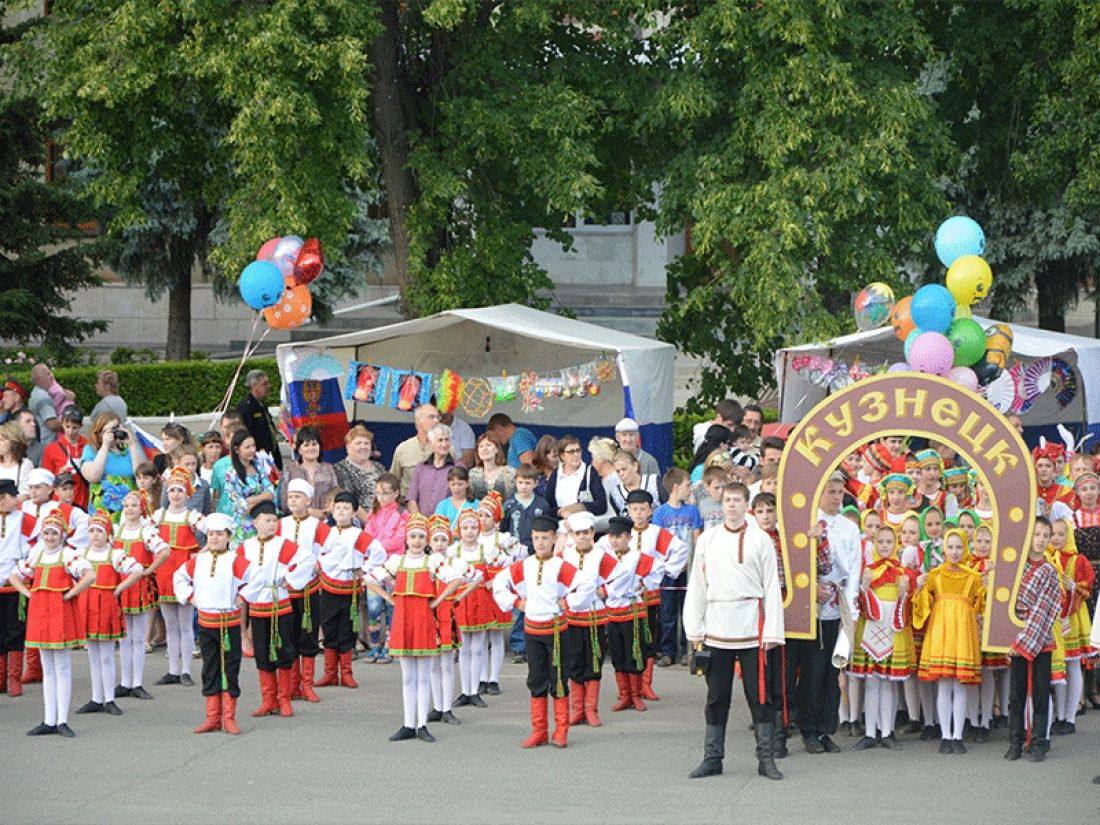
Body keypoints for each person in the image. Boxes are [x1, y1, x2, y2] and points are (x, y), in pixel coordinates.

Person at [684, 482, 784, 781]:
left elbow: (771, 587)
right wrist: (695, 627)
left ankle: (765, 759)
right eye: (727, 500)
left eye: (737, 500)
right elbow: (698, 585)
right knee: (716, 697)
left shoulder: (761, 539)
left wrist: (772, 633)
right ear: (721, 503)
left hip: (753, 627)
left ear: (746, 504)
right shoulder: (708, 539)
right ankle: (712, 757)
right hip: (716, 627)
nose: (731, 505)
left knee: (759, 696)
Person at [494, 513, 591, 748]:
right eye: (536, 538)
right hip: (532, 631)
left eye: (545, 538)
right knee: (536, 679)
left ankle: (561, 730)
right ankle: (539, 730)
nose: (540, 543)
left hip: (557, 631)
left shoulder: (560, 566)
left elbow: (586, 585)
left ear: (554, 538)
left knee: (558, 679)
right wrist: (517, 603)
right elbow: (499, 582)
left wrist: (568, 603)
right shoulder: (525, 565)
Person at [368, 514, 464, 743]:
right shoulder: (396, 562)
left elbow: (456, 579)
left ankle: (421, 724)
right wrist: (389, 598)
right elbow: (370, 579)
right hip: (402, 619)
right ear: (406, 538)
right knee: (407, 676)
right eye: (413, 536)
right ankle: (408, 723)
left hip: (423, 620)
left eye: (422, 536)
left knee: (423, 676)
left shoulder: (432, 562)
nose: (417, 540)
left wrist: (437, 601)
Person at [9, 509, 95, 737]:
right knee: (48, 669)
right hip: (40, 613)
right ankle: (49, 719)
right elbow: (14, 576)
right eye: (46, 533)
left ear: (61, 535)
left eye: (54, 533)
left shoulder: (67, 555)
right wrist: (28, 593)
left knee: (63, 667)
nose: (49, 537)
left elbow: (89, 575)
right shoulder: (36, 555)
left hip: (60, 614)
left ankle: (62, 720)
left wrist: (70, 593)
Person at [794, 471, 861, 755]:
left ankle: (825, 728)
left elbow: (855, 565)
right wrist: (812, 589)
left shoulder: (849, 527)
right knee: (813, 670)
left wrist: (851, 600)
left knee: (834, 672)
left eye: (840, 492)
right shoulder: (809, 522)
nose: (836, 497)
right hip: (815, 606)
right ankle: (807, 728)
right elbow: (799, 562)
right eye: (831, 492)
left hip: (839, 603)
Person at [172, 512, 249, 735]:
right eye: (211, 534)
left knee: (231, 667)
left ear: (228, 536)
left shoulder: (236, 559)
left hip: (229, 622)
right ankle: (212, 717)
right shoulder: (199, 560)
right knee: (210, 667)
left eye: (219, 534)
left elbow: (253, 580)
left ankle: (229, 717)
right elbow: (179, 577)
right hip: (207, 622)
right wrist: (190, 597)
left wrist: (242, 596)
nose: (214, 538)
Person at [238, 501, 315, 719]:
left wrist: (289, 579)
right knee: (262, 653)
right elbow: (238, 572)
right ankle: (268, 699)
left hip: (280, 604)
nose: (272, 524)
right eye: (267, 520)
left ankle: (284, 698)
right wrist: (242, 592)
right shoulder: (247, 546)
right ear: (255, 523)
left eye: (274, 520)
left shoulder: (282, 544)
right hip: (258, 606)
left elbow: (308, 559)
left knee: (285, 650)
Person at [913, 528, 984, 755]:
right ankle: (945, 734)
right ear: (944, 549)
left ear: (965, 549)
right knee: (944, 684)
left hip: (963, 632)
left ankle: (958, 735)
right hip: (941, 631)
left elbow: (981, 605)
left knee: (960, 685)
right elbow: (922, 604)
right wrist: (920, 587)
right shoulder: (935, 575)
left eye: (959, 547)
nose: (954, 552)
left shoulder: (973, 577)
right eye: (950, 547)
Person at [848, 523, 916, 749]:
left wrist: (905, 592)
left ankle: (887, 732)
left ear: (896, 544)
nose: (885, 546)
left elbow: (908, 603)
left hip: (892, 627)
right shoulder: (867, 570)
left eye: (889, 542)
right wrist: (864, 587)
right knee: (872, 681)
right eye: (881, 541)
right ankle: (869, 731)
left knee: (888, 683)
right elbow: (858, 601)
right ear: (874, 543)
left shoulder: (902, 573)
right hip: (871, 627)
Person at [73, 510, 144, 717]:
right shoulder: (81, 554)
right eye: (92, 530)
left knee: (106, 655)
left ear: (107, 533)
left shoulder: (114, 553)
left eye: (99, 531)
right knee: (92, 654)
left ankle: (109, 698)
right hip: (86, 605)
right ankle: (96, 697)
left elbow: (137, 569)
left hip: (105, 606)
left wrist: (120, 588)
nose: (95, 535)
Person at [315, 491, 386, 689]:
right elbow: (315, 555)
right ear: (331, 510)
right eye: (338, 507)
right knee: (329, 628)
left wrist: (363, 569)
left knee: (346, 629)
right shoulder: (326, 533)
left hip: (349, 588)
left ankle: (346, 673)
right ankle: (329, 673)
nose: (341, 511)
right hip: (328, 586)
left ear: (354, 513)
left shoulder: (357, 535)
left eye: (346, 508)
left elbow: (378, 553)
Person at [1005, 518, 1061, 762]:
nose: (1040, 539)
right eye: (1036, 534)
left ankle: (1040, 741)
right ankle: (1015, 741)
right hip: (1015, 636)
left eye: (1044, 535)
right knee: (1015, 693)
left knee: (1040, 692)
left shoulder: (1049, 571)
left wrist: (1026, 640)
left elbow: (1045, 608)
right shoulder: (1016, 567)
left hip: (1040, 637)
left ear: (1049, 540)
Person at [623, 488, 687, 701]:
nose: (639, 513)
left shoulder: (656, 533)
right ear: (628, 511)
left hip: (649, 595)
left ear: (650, 511)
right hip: (626, 596)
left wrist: (664, 570)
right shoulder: (623, 534)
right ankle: (629, 689)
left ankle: (646, 685)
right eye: (634, 509)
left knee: (648, 639)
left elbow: (680, 550)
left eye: (642, 509)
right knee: (628, 640)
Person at [559, 510, 617, 728]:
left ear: (592, 532)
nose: (582, 536)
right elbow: (554, 581)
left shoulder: (601, 555)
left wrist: (605, 590)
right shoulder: (564, 556)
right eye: (578, 533)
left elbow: (619, 578)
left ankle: (591, 710)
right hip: (571, 618)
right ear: (572, 535)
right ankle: (578, 710)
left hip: (595, 616)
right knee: (574, 662)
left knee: (594, 662)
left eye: (586, 532)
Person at [152, 466, 205, 687]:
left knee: (185, 624)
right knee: (171, 625)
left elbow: (209, 530)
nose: (175, 494)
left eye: (180, 490)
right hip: (164, 572)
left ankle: (185, 670)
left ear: (187, 493)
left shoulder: (191, 516)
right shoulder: (158, 515)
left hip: (183, 572)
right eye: (172, 490)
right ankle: (173, 669)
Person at [113, 491, 169, 701]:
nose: (129, 509)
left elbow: (164, 550)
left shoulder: (146, 531)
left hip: (139, 586)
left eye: (134, 506)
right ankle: (125, 682)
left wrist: (148, 570)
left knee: (137, 637)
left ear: (141, 508)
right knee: (125, 638)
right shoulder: (117, 531)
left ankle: (136, 682)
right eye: (126, 505)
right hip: (121, 585)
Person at [278, 479, 329, 702]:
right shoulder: (281, 524)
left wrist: (319, 564)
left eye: (298, 496)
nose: (293, 500)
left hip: (309, 589)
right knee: (287, 637)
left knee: (308, 636)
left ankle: (307, 684)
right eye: (290, 496)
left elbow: (330, 551)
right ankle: (291, 685)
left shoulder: (318, 525)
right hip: (286, 590)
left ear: (308, 500)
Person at [426, 515, 474, 724]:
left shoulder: (456, 562)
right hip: (430, 615)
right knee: (433, 664)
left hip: (447, 614)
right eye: (435, 540)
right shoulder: (426, 561)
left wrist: (459, 596)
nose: (439, 544)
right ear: (430, 542)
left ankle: (446, 707)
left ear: (449, 541)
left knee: (446, 663)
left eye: (443, 540)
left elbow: (477, 577)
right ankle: (437, 706)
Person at [651, 468, 701, 667]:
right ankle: (668, 651)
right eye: (687, 485)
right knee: (668, 611)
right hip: (669, 568)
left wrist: (693, 561)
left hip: (688, 567)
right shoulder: (661, 513)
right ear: (675, 487)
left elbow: (696, 537)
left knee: (688, 609)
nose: (690, 489)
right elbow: (658, 541)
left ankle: (687, 650)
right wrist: (670, 563)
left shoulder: (692, 511)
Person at [1049, 518, 1092, 735]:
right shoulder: (1047, 559)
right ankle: (1059, 714)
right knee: (1058, 666)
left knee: (1073, 665)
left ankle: (1070, 716)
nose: (1056, 538)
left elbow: (1087, 589)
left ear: (1069, 536)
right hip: (1054, 618)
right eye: (1053, 534)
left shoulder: (1079, 561)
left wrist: (1074, 586)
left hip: (1072, 618)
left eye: (1060, 534)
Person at [449, 509, 494, 708]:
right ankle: (465, 690)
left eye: (474, 527)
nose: (469, 532)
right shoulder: (453, 551)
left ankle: (474, 690)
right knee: (464, 648)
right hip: (460, 600)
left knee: (478, 648)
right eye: (465, 528)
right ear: (459, 530)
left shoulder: (486, 551)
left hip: (480, 599)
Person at [363, 473, 408, 663]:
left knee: (391, 606)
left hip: (393, 565)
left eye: (386, 493)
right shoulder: (373, 514)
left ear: (396, 493)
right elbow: (366, 536)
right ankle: (375, 645)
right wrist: (374, 546)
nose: (382, 498)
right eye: (379, 493)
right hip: (374, 566)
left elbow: (399, 539)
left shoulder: (403, 514)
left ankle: (390, 645)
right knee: (373, 607)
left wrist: (377, 544)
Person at [0, 479, 32, 696]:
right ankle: (1, 678)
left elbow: (35, 545)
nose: (15, 499)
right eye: (10, 496)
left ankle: (14, 678)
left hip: (14, 583)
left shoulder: (24, 519)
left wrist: (21, 570)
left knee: (15, 630)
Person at [216, 430, 276, 545]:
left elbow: (271, 491)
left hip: (263, 520)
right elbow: (239, 505)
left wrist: (256, 499)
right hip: (244, 525)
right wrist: (263, 497)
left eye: (253, 446)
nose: (252, 450)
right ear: (237, 449)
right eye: (247, 447)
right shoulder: (231, 475)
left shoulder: (258, 466)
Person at [81, 414, 141, 519]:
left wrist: (131, 444)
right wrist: (105, 446)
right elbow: (93, 477)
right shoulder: (91, 450)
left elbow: (140, 477)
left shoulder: (129, 449)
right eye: (107, 431)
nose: (113, 434)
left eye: (115, 428)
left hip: (128, 511)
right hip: (102, 514)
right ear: (99, 434)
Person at [279, 426, 338, 518]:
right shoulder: (290, 469)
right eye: (306, 445)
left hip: (326, 520)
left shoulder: (329, 468)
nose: (311, 448)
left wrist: (327, 511)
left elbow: (336, 496)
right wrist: (309, 511)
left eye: (314, 444)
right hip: (298, 520)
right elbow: (284, 504)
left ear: (320, 446)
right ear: (299, 449)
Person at [544, 435, 607, 520]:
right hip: (560, 527)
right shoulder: (556, 474)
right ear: (562, 455)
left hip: (583, 527)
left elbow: (601, 505)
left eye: (578, 450)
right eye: (571, 452)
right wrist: (559, 512)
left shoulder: (590, 472)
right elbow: (547, 506)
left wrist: (576, 509)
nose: (576, 454)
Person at [334, 424, 386, 522]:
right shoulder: (341, 468)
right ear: (348, 447)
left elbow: (389, 492)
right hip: (358, 522)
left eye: (366, 443)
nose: (363, 446)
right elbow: (349, 500)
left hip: (383, 520)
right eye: (358, 443)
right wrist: (370, 523)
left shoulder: (379, 467)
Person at [40, 407, 90, 509]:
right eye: (67, 426)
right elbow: (47, 479)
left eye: (75, 427)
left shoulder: (88, 446)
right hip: (59, 502)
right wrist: (59, 474)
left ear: (81, 426)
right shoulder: (51, 449)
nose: (70, 431)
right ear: (62, 424)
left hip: (83, 501)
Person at [236, 369, 282, 471]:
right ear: (254, 386)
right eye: (264, 384)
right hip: (259, 458)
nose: (269, 386)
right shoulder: (245, 408)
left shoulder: (261, 405)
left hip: (271, 455)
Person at [390, 404, 439, 496]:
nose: (436, 421)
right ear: (418, 421)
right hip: (407, 504)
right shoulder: (403, 449)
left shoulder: (445, 448)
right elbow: (394, 480)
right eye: (431, 417)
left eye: (437, 417)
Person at [408, 424, 456, 516]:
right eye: (440, 440)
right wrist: (419, 521)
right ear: (431, 442)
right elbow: (411, 498)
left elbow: (460, 499)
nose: (444, 444)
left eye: (447, 440)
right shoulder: (421, 467)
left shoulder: (457, 467)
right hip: (421, 524)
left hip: (446, 524)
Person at [607, 451, 665, 518]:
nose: (621, 474)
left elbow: (669, 507)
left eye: (624, 469)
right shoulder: (615, 494)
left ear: (635, 466)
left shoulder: (654, 482)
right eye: (618, 471)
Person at [468, 433, 516, 501]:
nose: (484, 449)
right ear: (478, 452)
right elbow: (470, 500)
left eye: (488, 445)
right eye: (481, 446)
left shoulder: (509, 472)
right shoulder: (473, 473)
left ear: (497, 449)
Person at [28, 363, 62, 444]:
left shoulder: (37, 392)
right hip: (47, 445)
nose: (52, 376)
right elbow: (53, 425)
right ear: (39, 379)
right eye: (48, 374)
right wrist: (72, 421)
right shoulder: (43, 397)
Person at [0, 424, 33, 499]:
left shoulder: (25, 464)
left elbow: (25, 494)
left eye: (1, 440)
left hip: (15, 508)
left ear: (13, 442)